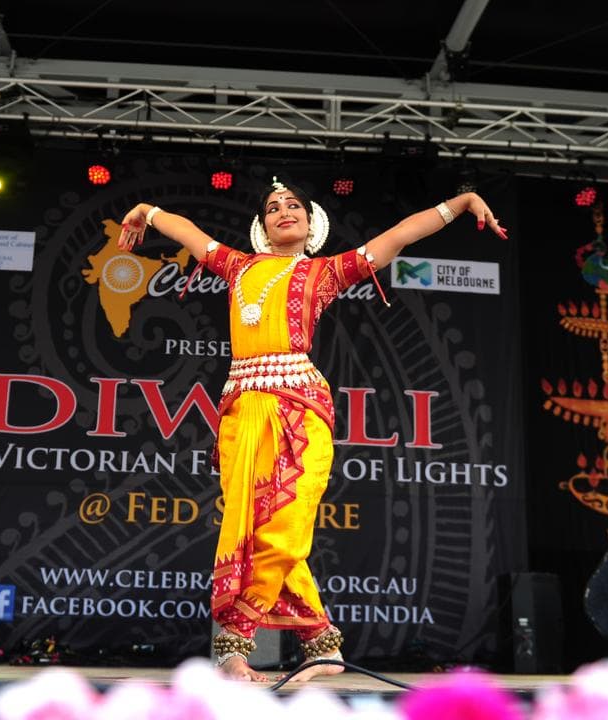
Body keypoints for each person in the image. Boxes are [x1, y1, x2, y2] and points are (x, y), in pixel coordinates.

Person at [118, 178, 507, 682]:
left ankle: (236, 643)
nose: (283, 210)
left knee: (287, 525)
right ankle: (318, 646)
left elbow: (400, 236)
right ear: (262, 227)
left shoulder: (326, 272)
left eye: (293, 205)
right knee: (251, 528)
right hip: (243, 411)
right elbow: (188, 232)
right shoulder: (237, 266)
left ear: (311, 222)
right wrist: (146, 210)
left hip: (301, 407)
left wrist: (461, 202)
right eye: (273, 207)